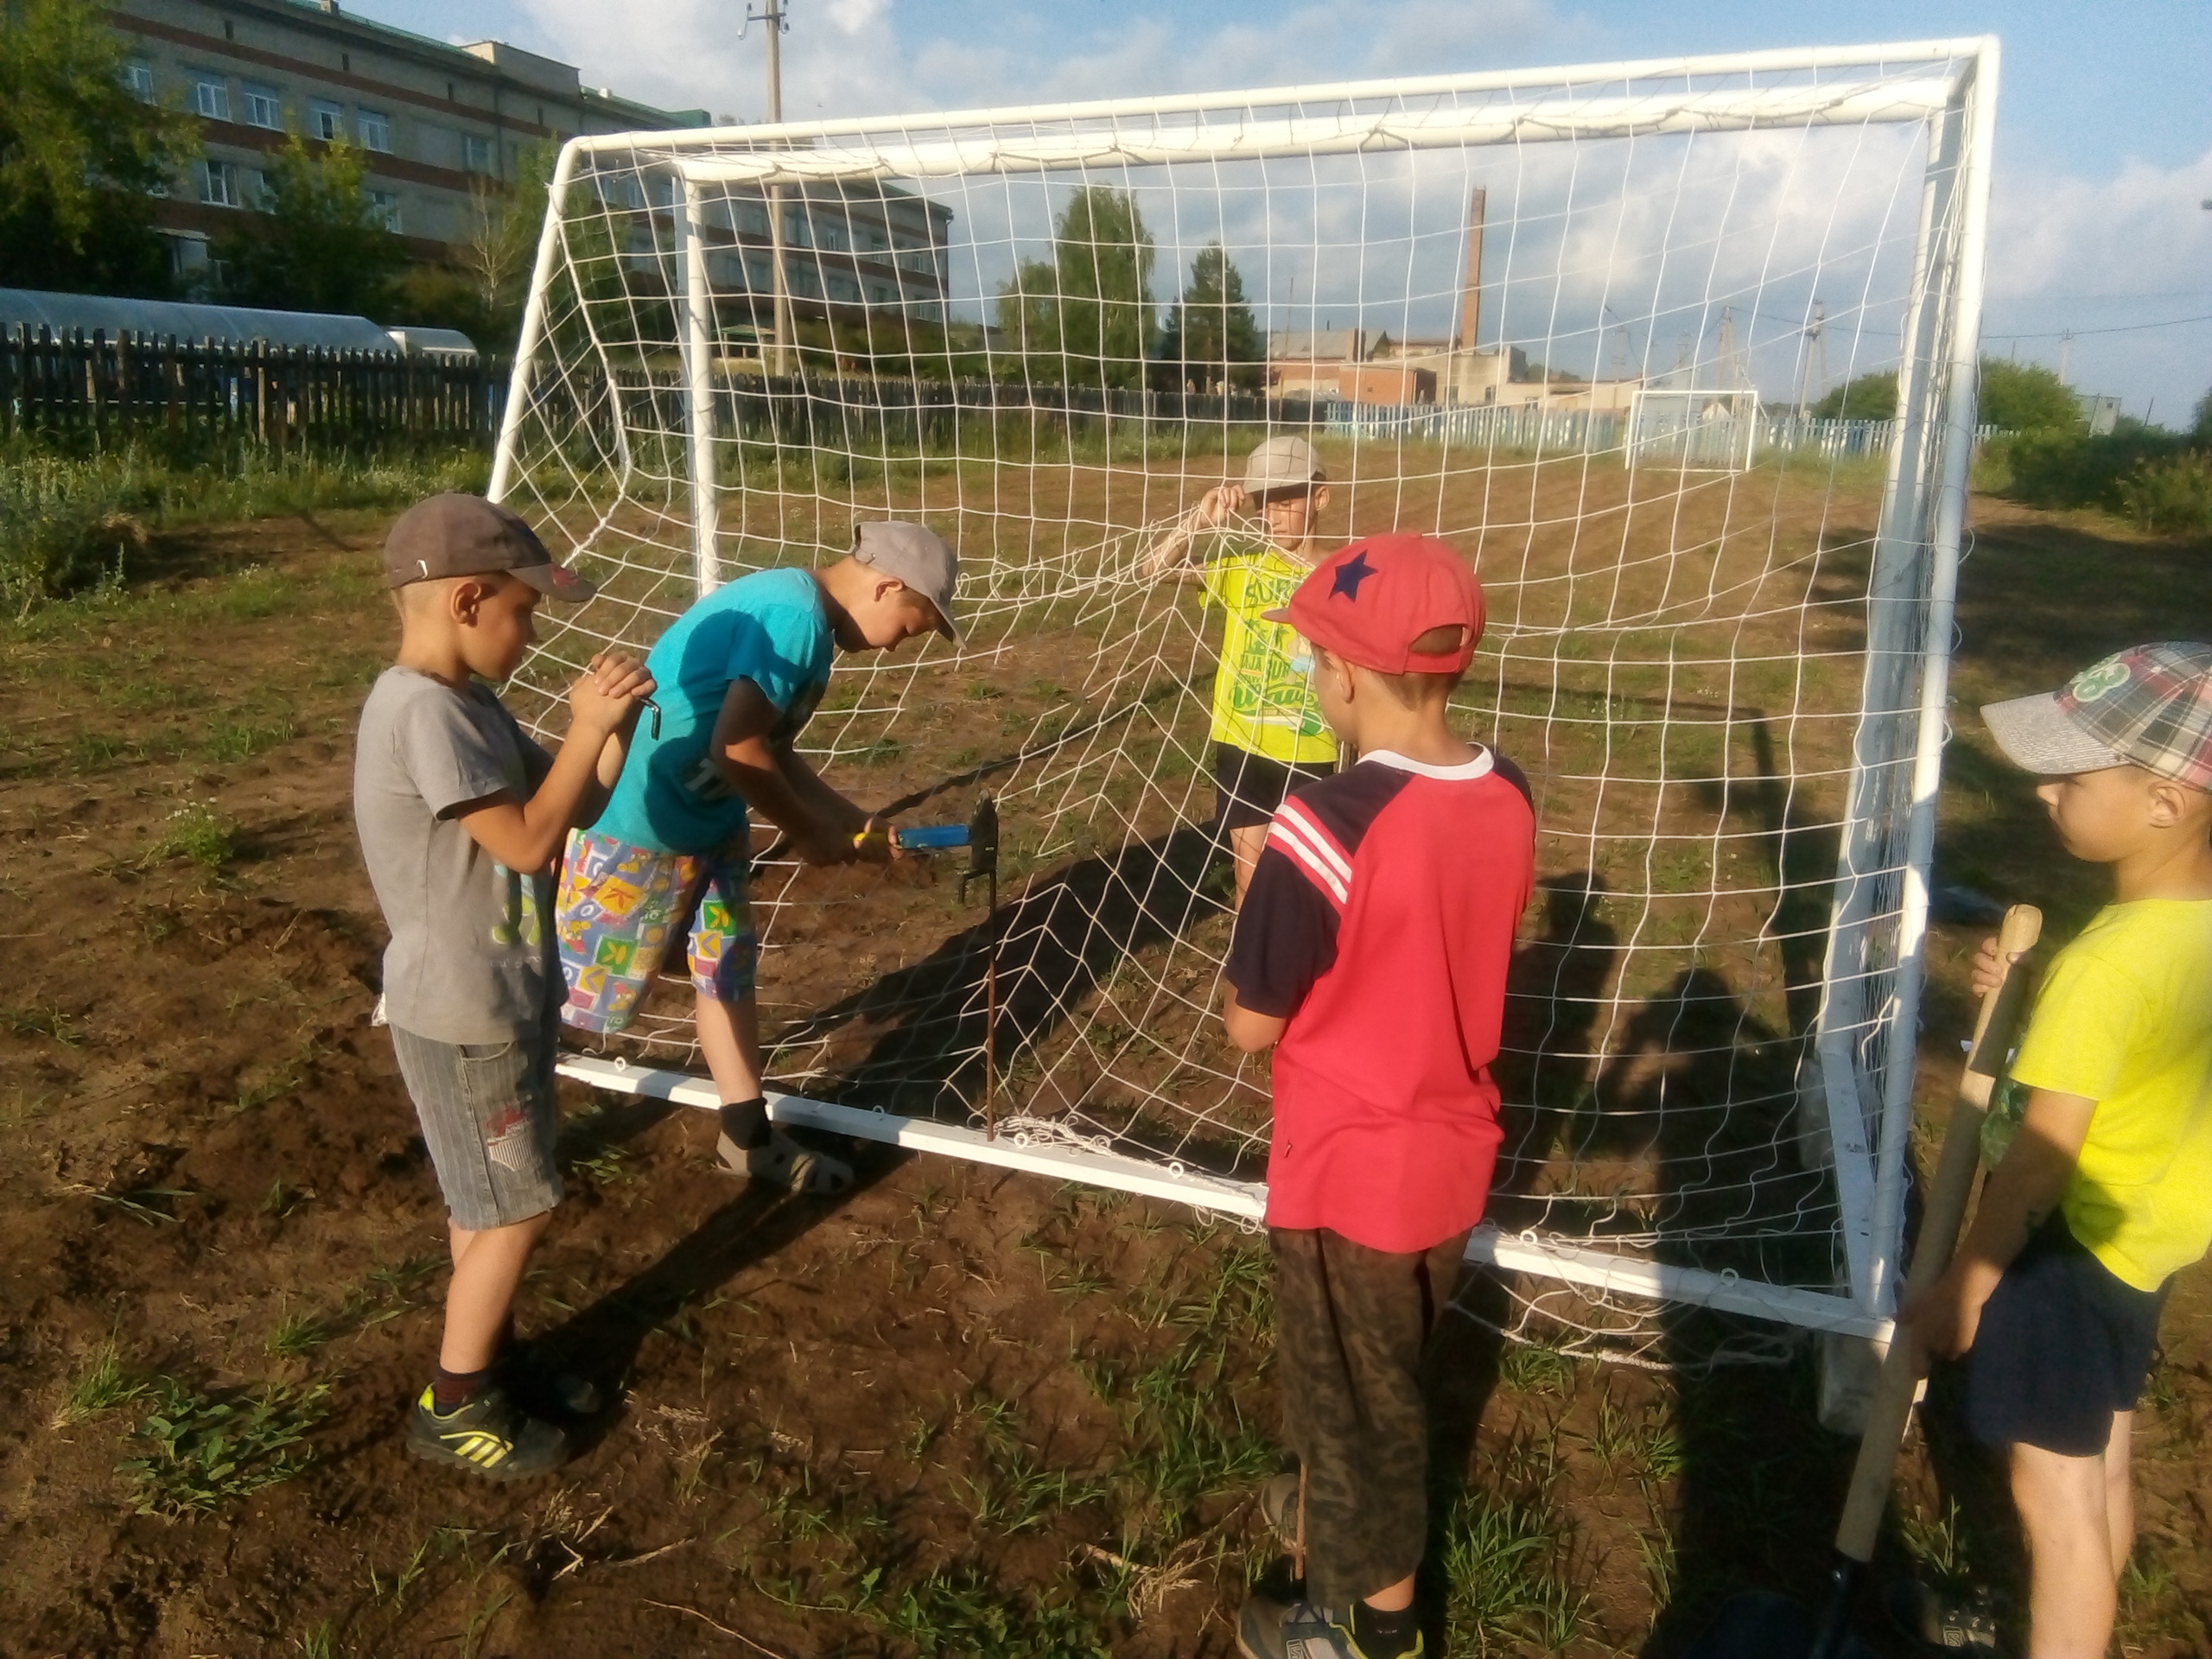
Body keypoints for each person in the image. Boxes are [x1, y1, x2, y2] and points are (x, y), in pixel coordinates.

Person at [1217, 533, 1535, 1659]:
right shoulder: (1506, 790)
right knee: (1375, 1374)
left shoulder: (1324, 826)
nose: (1311, 679)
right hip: (1451, 1156)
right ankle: (1326, 1504)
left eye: (1312, 661)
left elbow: (1250, 1023)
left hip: (1345, 1170)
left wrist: (1261, 892)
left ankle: (1365, 1626)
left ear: (1345, 677)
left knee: (1364, 1409)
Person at [1903, 642, 2212, 1659]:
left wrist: (1965, 1286)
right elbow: (2139, 1053)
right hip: (2146, 1239)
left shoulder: (2106, 966)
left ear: (2165, 802)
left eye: (2072, 776)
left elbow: (2036, 1160)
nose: (2042, 791)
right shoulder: (2178, 933)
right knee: (2101, 1461)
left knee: (2054, 1498)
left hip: (2064, 1251)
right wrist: (2028, 1001)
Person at [353, 493, 654, 1479]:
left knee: (485, 1202)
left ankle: (489, 1357)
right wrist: (580, 730)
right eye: (522, 613)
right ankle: (453, 1404)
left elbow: (577, 803)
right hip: (464, 1010)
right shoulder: (422, 713)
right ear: (468, 599)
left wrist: (611, 731)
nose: (529, 633)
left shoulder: (469, 702)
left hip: (501, 991)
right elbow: (526, 844)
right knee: (516, 1210)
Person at [555, 523, 958, 1194]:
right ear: (889, 586)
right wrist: (805, 833)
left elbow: (772, 749)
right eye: (909, 629)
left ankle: (747, 1138)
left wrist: (852, 822)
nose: (894, 648)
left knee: (724, 972)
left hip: (710, 823)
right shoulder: (794, 617)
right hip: (640, 830)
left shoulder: (807, 618)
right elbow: (736, 750)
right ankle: (503, 1119)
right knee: (570, 996)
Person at [1144, 434, 1340, 904]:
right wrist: (1200, 519)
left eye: (1285, 498)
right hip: (1241, 741)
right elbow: (1150, 569)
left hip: (1310, 742)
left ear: (1321, 497)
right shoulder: (1242, 568)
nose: (1271, 514)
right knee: (1249, 879)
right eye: (1263, 501)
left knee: (1303, 881)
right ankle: (1251, 969)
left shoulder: (1342, 575)